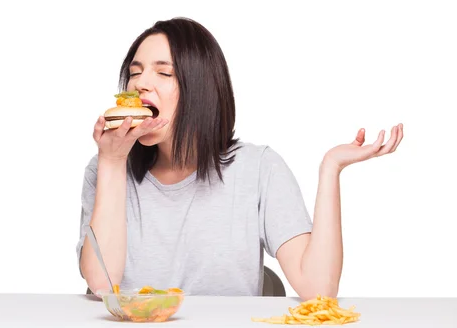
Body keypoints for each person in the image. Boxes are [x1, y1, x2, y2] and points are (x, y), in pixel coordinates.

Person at [75, 17, 403, 299]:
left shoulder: (259, 170)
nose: (140, 84)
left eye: (164, 73)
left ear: (200, 89)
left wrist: (331, 168)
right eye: (135, 73)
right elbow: (102, 284)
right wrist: (113, 162)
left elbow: (318, 288)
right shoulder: (105, 168)